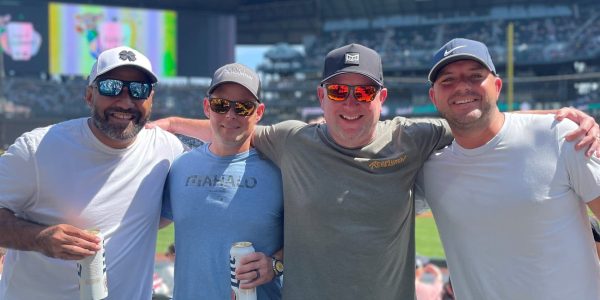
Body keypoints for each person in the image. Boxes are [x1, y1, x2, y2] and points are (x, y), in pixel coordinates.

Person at [149, 43, 600, 299]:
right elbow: (237, 125)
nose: (350, 103)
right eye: (339, 91)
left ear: (381, 99)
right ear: (321, 97)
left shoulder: (413, 136)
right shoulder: (291, 139)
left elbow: (479, 116)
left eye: (363, 94)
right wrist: (170, 124)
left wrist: (562, 117)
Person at [418, 38, 600, 299]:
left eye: (475, 76)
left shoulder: (562, 137)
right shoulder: (429, 167)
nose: (462, 87)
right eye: (448, 80)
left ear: (497, 86)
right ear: (434, 97)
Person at [0, 46, 185, 299]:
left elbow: (234, 140)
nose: (125, 100)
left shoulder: (167, 149)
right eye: (110, 87)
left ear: (151, 99)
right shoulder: (36, 149)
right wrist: (39, 238)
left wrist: (177, 124)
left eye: (138, 89)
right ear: (89, 95)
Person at [161, 63, 284, 299]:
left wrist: (276, 264)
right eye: (221, 105)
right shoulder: (179, 167)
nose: (230, 115)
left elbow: (310, 239)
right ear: (207, 107)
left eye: (244, 107)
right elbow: (141, 223)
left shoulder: (280, 172)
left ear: (259, 113)